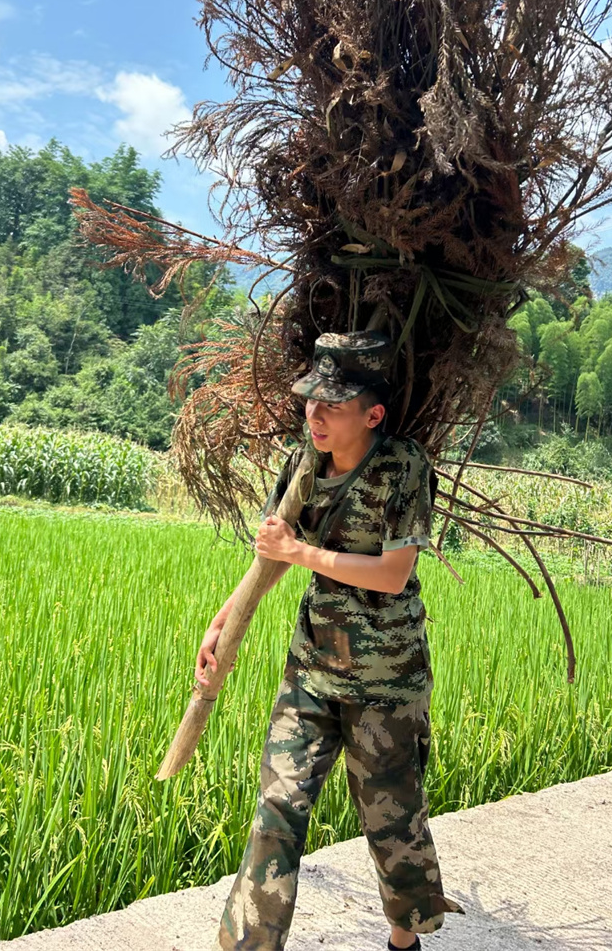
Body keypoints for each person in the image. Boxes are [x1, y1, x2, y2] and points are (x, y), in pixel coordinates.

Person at [196, 331, 465, 951]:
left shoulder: (404, 465)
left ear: (373, 414)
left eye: (333, 407)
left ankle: (405, 939)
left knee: (390, 818)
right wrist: (223, 620)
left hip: (386, 680)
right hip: (311, 669)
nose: (315, 415)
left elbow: (394, 574)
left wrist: (302, 551)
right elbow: (272, 558)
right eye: (310, 402)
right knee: (276, 811)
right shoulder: (301, 466)